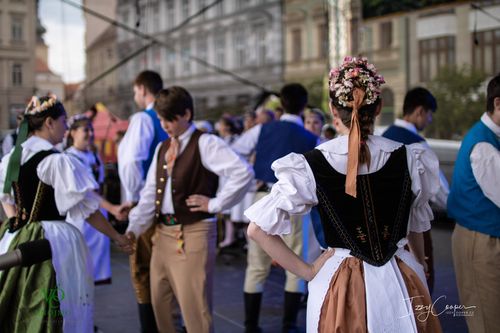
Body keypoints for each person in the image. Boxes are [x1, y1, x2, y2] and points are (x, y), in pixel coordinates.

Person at [245, 57, 442, 332]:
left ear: (332, 111)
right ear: (379, 107)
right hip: (401, 277)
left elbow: (257, 230)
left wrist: (309, 271)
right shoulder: (410, 157)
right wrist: (420, 263)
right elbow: (417, 223)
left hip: (339, 281)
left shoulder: (311, 164)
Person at [125, 86, 254, 333]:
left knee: (195, 309)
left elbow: (243, 173)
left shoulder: (206, 143)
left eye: (168, 118)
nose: (164, 124)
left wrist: (214, 204)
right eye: (161, 119)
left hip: (194, 231)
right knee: (160, 304)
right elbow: (150, 194)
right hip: (162, 233)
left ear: (186, 114)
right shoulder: (163, 148)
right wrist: (133, 229)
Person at [0, 96, 132, 333]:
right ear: (49, 122)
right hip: (53, 240)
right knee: (56, 299)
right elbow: (87, 210)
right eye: (63, 121)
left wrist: (16, 223)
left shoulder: (12, 159)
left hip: (16, 237)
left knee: (21, 296)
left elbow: (6, 198)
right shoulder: (57, 162)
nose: (66, 128)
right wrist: (117, 236)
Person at [232, 83, 318, 333]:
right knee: (295, 264)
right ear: (303, 106)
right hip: (295, 204)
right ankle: (289, 326)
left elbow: (235, 151)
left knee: (256, 265)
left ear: (281, 103)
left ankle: (250, 326)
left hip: (262, 197)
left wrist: (251, 173)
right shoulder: (311, 138)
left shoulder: (263, 129)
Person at [382, 87, 449, 292]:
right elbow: (439, 192)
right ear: (420, 111)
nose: (429, 121)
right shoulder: (417, 145)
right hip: (413, 224)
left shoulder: (384, 136)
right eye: (429, 115)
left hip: (386, 225)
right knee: (420, 282)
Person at [448, 74, 500, 333]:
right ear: (498, 104)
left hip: (486, 237)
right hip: (482, 242)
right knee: (488, 321)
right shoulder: (483, 144)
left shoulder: (490, 137)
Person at [117, 70, 167, 332]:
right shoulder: (166, 118)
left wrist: (135, 198)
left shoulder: (142, 118)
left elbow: (130, 162)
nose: (135, 96)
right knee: (164, 268)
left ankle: (150, 327)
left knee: (142, 270)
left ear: (143, 89)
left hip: (146, 203)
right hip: (168, 204)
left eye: (135, 91)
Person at [65, 114, 129, 284]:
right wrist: (112, 208)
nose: (91, 134)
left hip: (98, 211)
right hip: (81, 217)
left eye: (92, 130)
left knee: (95, 269)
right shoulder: (69, 158)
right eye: (86, 130)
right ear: (73, 133)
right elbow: (86, 193)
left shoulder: (94, 155)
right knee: (80, 266)